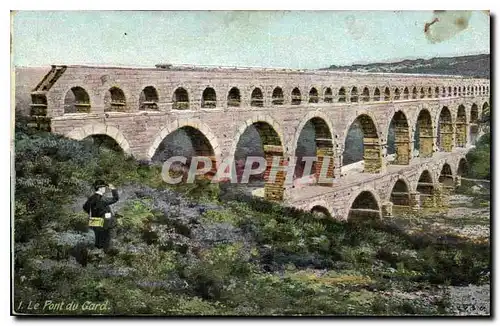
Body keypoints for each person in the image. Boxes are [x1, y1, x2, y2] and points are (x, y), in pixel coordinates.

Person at [83, 180, 120, 251]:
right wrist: (113, 189)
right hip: (105, 223)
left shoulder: (91, 198)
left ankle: (95, 255)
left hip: (95, 222)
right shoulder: (103, 199)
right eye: (104, 187)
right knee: (106, 241)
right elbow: (116, 198)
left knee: (98, 241)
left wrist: (94, 214)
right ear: (100, 188)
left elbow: (85, 207)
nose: (105, 189)